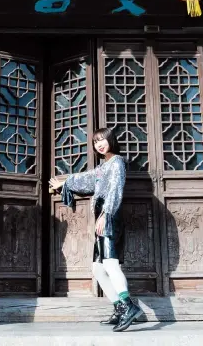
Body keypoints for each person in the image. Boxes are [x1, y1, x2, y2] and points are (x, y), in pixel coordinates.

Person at [49, 128, 143, 332]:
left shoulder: (117, 162)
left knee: (110, 264)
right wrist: (65, 182)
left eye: (102, 140)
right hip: (103, 215)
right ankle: (119, 307)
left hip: (109, 215)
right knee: (98, 269)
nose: (99, 144)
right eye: (95, 142)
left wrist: (106, 214)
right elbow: (87, 178)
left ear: (111, 140)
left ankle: (128, 306)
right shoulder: (103, 166)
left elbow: (116, 189)